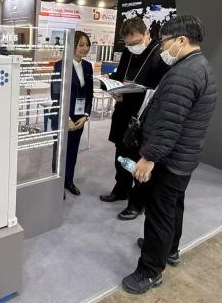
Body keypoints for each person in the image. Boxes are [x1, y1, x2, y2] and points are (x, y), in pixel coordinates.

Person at [121, 15, 218, 295]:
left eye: (164, 41)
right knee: (174, 207)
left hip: (169, 159)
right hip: (184, 158)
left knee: (159, 215)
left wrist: (148, 158)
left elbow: (169, 124)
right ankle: (169, 249)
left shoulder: (183, 75)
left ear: (181, 40)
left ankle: (150, 271)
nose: (162, 47)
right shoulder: (200, 67)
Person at [99, 17, 169, 221]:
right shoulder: (128, 52)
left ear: (147, 34)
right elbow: (119, 76)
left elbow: (158, 89)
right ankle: (121, 189)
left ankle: (137, 204)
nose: (132, 47)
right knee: (121, 155)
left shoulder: (159, 55)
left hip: (144, 117)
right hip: (123, 114)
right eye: (128, 44)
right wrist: (114, 88)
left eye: (136, 42)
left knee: (138, 162)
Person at [51, 31, 94, 196]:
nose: (85, 48)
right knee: (60, 152)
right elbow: (55, 95)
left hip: (79, 118)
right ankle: (57, 185)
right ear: (72, 46)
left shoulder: (87, 66)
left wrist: (86, 115)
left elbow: (89, 94)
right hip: (63, 118)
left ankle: (68, 180)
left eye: (87, 45)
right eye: (81, 45)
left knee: (73, 151)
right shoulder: (60, 66)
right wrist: (66, 118)